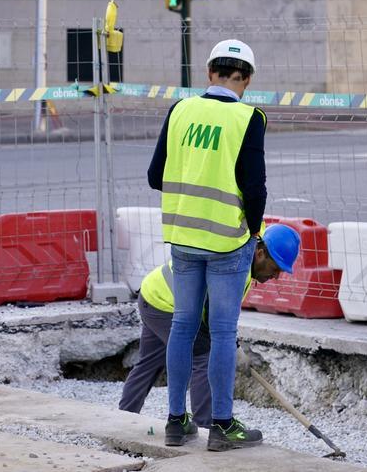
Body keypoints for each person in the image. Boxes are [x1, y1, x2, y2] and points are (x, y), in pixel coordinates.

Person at [147, 39, 268, 451]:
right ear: (246, 80)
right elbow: (254, 188)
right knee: (221, 333)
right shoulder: (249, 118)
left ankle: (175, 422)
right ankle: (221, 426)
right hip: (226, 243)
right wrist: (253, 231)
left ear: (208, 73)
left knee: (182, 326)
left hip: (182, 236)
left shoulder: (180, 109)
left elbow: (154, 175)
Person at [117, 224, 300, 429]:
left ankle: (124, 420)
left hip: (153, 294)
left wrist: (233, 344)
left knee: (150, 362)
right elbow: (212, 317)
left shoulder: (245, 249)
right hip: (167, 305)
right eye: (275, 269)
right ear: (259, 253)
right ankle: (206, 426)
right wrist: (232, 346)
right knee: (205, 356)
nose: (276, 277)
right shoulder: (235, 267)